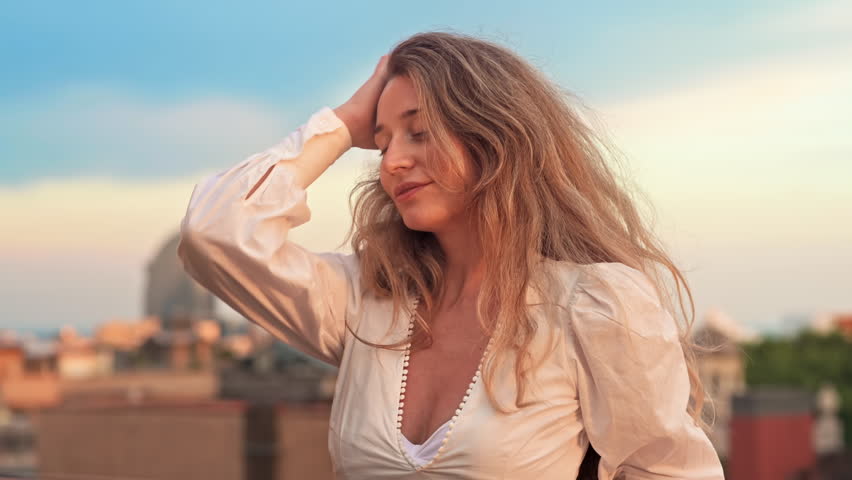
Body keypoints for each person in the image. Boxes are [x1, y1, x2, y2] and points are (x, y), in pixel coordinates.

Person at [178, 31, 725, 479]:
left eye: (418, 132)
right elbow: (215, 234)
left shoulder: (595, 306)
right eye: (384, 139)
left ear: (494, 135)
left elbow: (672, 473)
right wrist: (344, 123)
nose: (391, 161)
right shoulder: (365, 302)